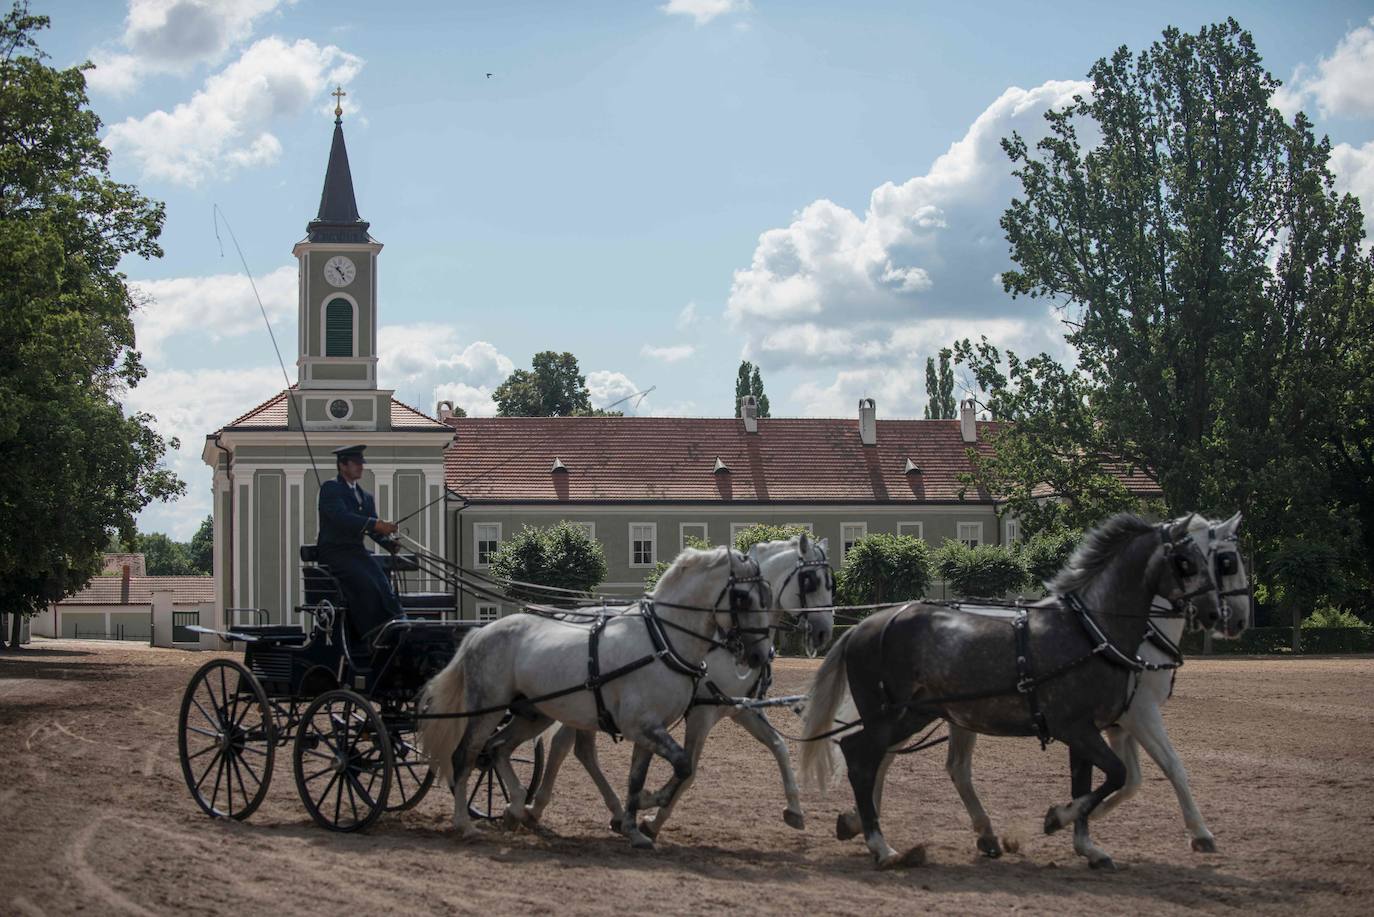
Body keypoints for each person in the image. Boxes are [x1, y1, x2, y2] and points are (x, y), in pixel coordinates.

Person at [316, 444, 404, 643]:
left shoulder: (365, 497)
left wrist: (389, 543)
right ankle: (370, 634)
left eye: (361, 463)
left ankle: (397, 623)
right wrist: (377, 524)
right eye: (356, 463)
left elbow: (373, 531)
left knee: (383, 582)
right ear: (343, 465)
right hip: (335, 553)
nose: (361, 467)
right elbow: (342, 518)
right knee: (366, 584)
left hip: (357, 552)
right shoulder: (331, 489)